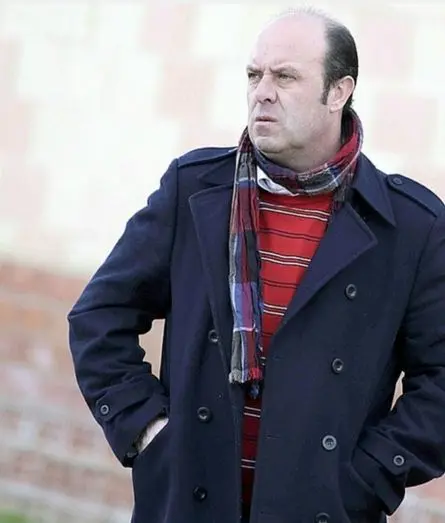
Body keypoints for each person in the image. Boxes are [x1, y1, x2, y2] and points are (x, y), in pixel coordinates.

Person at [68, 7, 445, 523]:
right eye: (254, 75)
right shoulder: (194, 189)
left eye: (285, 77)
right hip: (190, 502)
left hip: (322, 510)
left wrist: (368, 477)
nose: (262, 92)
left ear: (338, 92)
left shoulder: (409, 226)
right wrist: (149, 432)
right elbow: (98, 316)